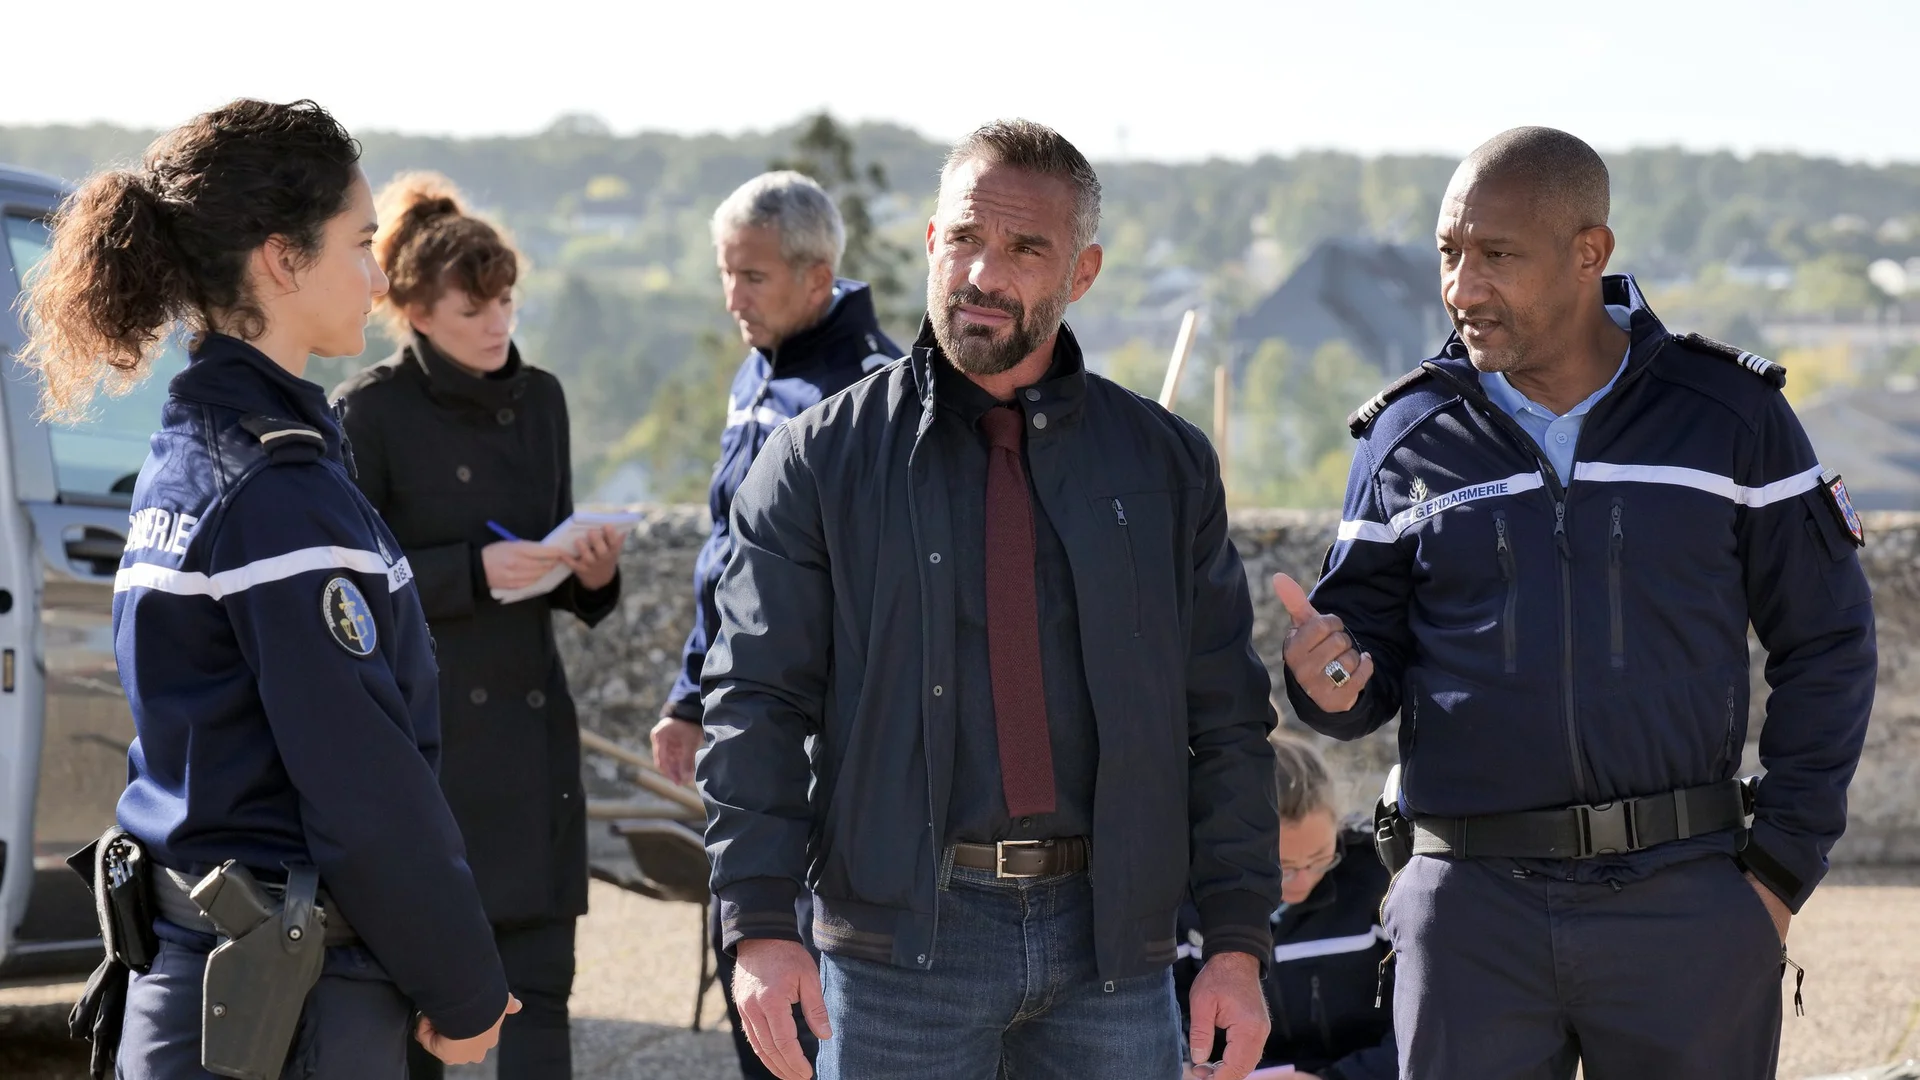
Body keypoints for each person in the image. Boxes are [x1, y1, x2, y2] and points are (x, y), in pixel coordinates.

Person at [1277, 126, 1876, 1080]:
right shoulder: (1404, 437)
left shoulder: (1729, 416)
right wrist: (1330, 683)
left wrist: (1777, 873)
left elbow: (1831, 641)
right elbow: (1358, 667)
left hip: (1686, 905)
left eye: (1497, 256)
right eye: (1450, 254)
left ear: (1589, 252)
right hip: (1470, 915)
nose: (1462, 287)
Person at [698, 119, 1281, 1080]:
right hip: (898, 950)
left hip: (1113, 948)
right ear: (932, 240)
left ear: (1081, 272)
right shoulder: (815, 463)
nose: (983, 271)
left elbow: (1223, 721)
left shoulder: (1167, 467)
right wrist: (760, 923)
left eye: (1024, 249)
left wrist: (1235, 940)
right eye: (965, 237)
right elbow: (754, 702)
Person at [22, 99, 517, 1078]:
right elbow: (363, 785)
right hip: (278, 1012)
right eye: (359, 244)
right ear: (283, 261)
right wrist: (463, 988)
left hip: (202, 980)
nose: (376, 278)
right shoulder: (276, 494)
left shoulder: (192, 452)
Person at [332, 173, 624, 1080]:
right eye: (473, 309)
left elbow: (565, 550)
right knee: (415, 1012)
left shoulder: (541, 399)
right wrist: (467, 573)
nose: (497, 324)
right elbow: (348, 597)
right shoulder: (368, 413)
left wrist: (592, 574)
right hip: (433, 745)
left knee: (542, 1005)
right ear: (415, 311)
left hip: (533, 744)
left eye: (505, 301)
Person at [647, 169, 898, 1080]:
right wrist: (687, 695)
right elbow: (727, 555)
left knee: (807, 986)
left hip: (821, 736)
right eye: (725, 272)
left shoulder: (868, 396)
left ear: (816, 276)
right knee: (744, 956)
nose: (732, 298)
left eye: (751, 277)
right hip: (741, 715)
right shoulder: (761, 368)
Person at [1175, 734, 1394, 1080]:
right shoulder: (1184, 900)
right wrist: (1181, 1066)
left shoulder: (1376, 880)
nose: (1302, 881)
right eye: (1283, 867)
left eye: (1322, 859)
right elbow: (1163, 1014)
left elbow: (1426, 1020)